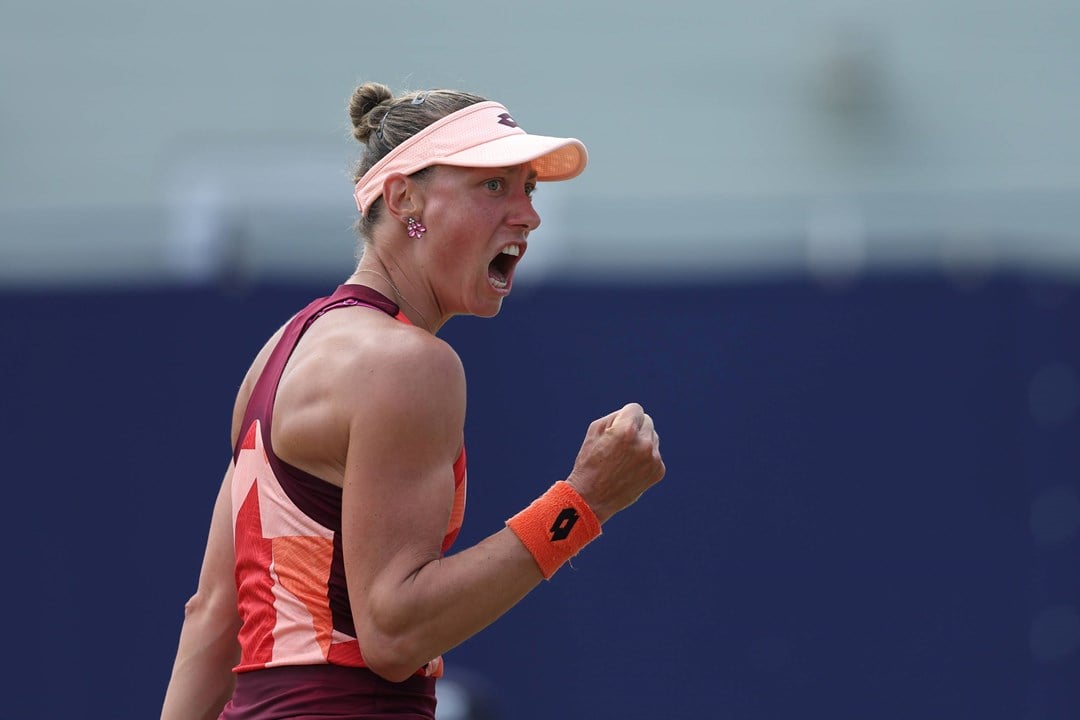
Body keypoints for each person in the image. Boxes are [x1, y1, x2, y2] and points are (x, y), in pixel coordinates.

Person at [160, 81, 666, 720]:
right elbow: (393, 633)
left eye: (527, 188)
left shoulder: (282, 351)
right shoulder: (409, 364)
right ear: (404, 199)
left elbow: (212, 616)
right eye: (492, 186)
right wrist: (583, 502)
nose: (528, 214)